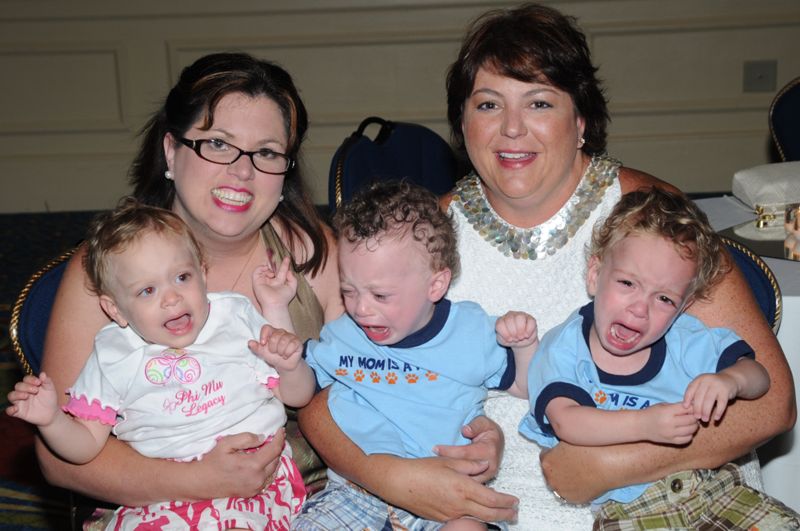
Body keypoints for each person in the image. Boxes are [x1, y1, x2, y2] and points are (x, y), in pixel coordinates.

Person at [297, 3, 796, 529]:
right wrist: (391, 477)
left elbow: (773, 404)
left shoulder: (647, 219)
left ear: (580, 121)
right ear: (462, 125)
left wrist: (613, 464)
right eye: (488, 105)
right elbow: (323, 389)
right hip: (472, 510)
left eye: (538, 102)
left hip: (655, 500)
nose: (512, 129)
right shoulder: (424, 239)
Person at [35, 52, 344, 519]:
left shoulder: (311, 253)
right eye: (218, 143)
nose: (242, 172)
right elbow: (57, 459)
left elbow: (362, 398)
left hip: (304, 506)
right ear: (171, 151)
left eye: (266, 152)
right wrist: (198, 481)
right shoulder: (104, 274)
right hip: (155, 508)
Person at [8, 199, 317, 529]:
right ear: (115, 310)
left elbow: (297, 396)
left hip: (256, 485)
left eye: (182, 277)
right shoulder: (114, 355)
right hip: (162, 495)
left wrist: (288, 363)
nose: (171, 298)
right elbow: (84, 446)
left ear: (202, 271)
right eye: (147, 290)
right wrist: (51, 420)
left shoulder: (234, 319)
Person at [520, 188, 800, 529]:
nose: (640, 308)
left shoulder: (686, 339)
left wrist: (730, 380)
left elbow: (761, 378)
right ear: (594, 275)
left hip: (714, 489)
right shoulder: (565, 347)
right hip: (633, 508)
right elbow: (567, 421)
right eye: (627, 283)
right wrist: (645, 425)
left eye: (664, 298)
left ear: (684, 305)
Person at [292, 181, 538, 530]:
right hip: (356, 490)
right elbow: (301, 395)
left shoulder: (469, 331)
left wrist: (524, 345)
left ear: (435, 285)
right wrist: (288, 365)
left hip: (447, 491)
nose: (361, 308)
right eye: (349, 290)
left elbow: (525, 386)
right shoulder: (344, 335)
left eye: (380, 295)